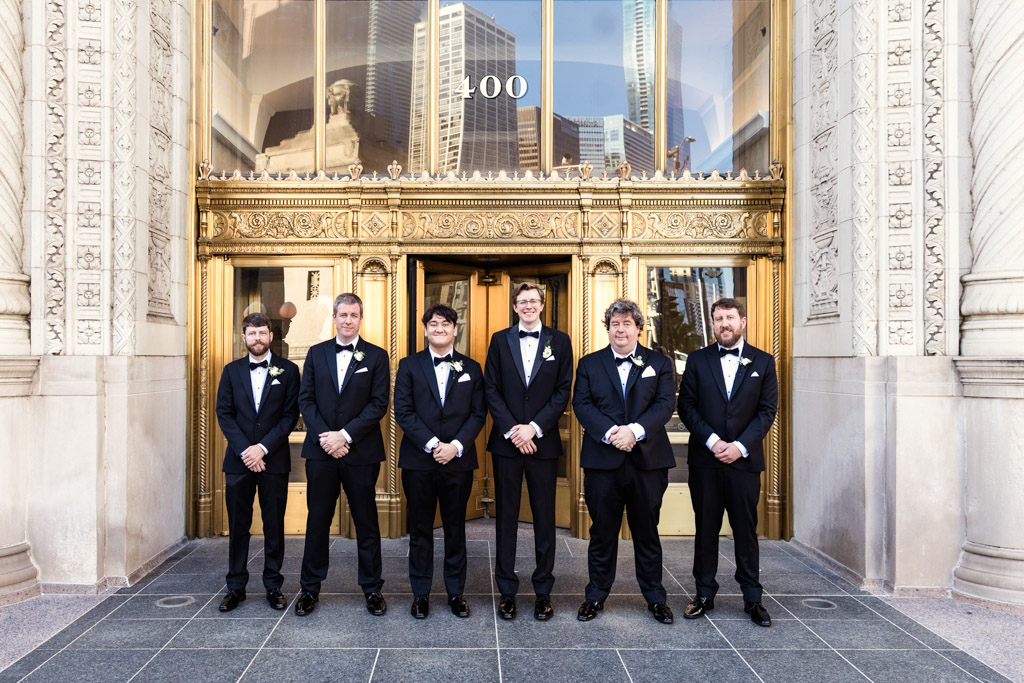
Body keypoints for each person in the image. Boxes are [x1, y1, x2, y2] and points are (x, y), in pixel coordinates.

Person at [571, 298, 676, 624]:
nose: (620, 329)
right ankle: (595, 596)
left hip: (648, 462)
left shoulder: (659, 363)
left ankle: (656, 598)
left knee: (647, 533)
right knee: (602, 533)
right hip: (603, 463)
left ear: (638, 328)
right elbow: (582, 404)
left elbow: (664, 405)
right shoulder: (589, 364)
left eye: (627, 323)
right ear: (608, 328)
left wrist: (634, 431)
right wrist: (610, 433)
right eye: (615, 323)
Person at [677, 297, 778, 627]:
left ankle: (752, 598)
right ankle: (704, 593)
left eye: (730, 318)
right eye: (718, 319)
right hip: (706, 462)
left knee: (745, 531)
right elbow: (688, 407)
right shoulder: (697, 360)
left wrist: (739, 446)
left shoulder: (763, 362)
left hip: (744, 463)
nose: (724, 324)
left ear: (743, 321)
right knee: (705, 529)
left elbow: (767, 411)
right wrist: (714, 441)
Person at [295, 293, 390, 617]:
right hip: (321, 453)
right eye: (343, 314)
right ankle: (309, 589)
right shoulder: (316, 353)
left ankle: (373, 588)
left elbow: (378, 404)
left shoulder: (376, 356)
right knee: (318, 520)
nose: (348, 320)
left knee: (366, 521)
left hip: (360, 451)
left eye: (354, 315)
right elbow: (305, 400)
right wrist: (327, 438)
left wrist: (345, 435)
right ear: (334, 318)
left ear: (361, 319)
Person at [484, 283, 573, 621]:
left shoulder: (559, 341)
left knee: (544, 517)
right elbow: (491, 388)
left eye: (534, 301)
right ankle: (507, 591)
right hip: (507, 443)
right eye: (522, 302)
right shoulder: (499, 340)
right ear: (514, 306)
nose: (528, 306)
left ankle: (543, 591)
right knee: (505, 517)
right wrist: (514, 430)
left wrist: (533, 428)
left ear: (542, 304)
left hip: (543, 442)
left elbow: (563, 390)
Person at [394, 304, 486, 619]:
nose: (439, 329)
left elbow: (478, 413)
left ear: (455, 330)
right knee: (420, 529)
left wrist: (456, 446)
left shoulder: (471, 368)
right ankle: (420, 594)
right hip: (419, 462)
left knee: (455, 529)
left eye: (445, 324)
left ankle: (455, 593)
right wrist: (434, 445)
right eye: (433, 324)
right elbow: (403, 411)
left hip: (458, 462)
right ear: (425, 330)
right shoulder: (408, 366)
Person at [215, 312, 300, 612]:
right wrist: (246, 451)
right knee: (239, 526)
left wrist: (262, 448)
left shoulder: (288, 371)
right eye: (252, 334)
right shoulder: (231, 371)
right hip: (239, 463)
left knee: (274, 525)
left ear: (271, 336)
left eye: (262, 333)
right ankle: (235, 587)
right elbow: (224, 413)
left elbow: (290, 415)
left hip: (273, 461)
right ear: (243, 337)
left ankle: (273, 585)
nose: (258, 338)